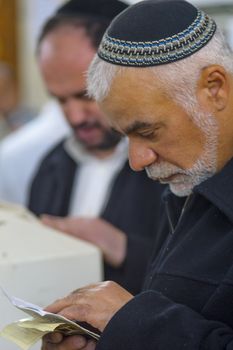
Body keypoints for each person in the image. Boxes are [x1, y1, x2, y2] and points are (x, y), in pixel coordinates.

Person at [41, 0, 233, 349]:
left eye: (148, 131)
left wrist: (131, 320)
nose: (137, 160)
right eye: (123, 135)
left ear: (214, 87)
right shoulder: (185, 183)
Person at [28, 0, 165, 295]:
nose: (75, 117)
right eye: (60, 101)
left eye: (86, 96)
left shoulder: (175, 162)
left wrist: (122, 248)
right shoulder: (52, 163)